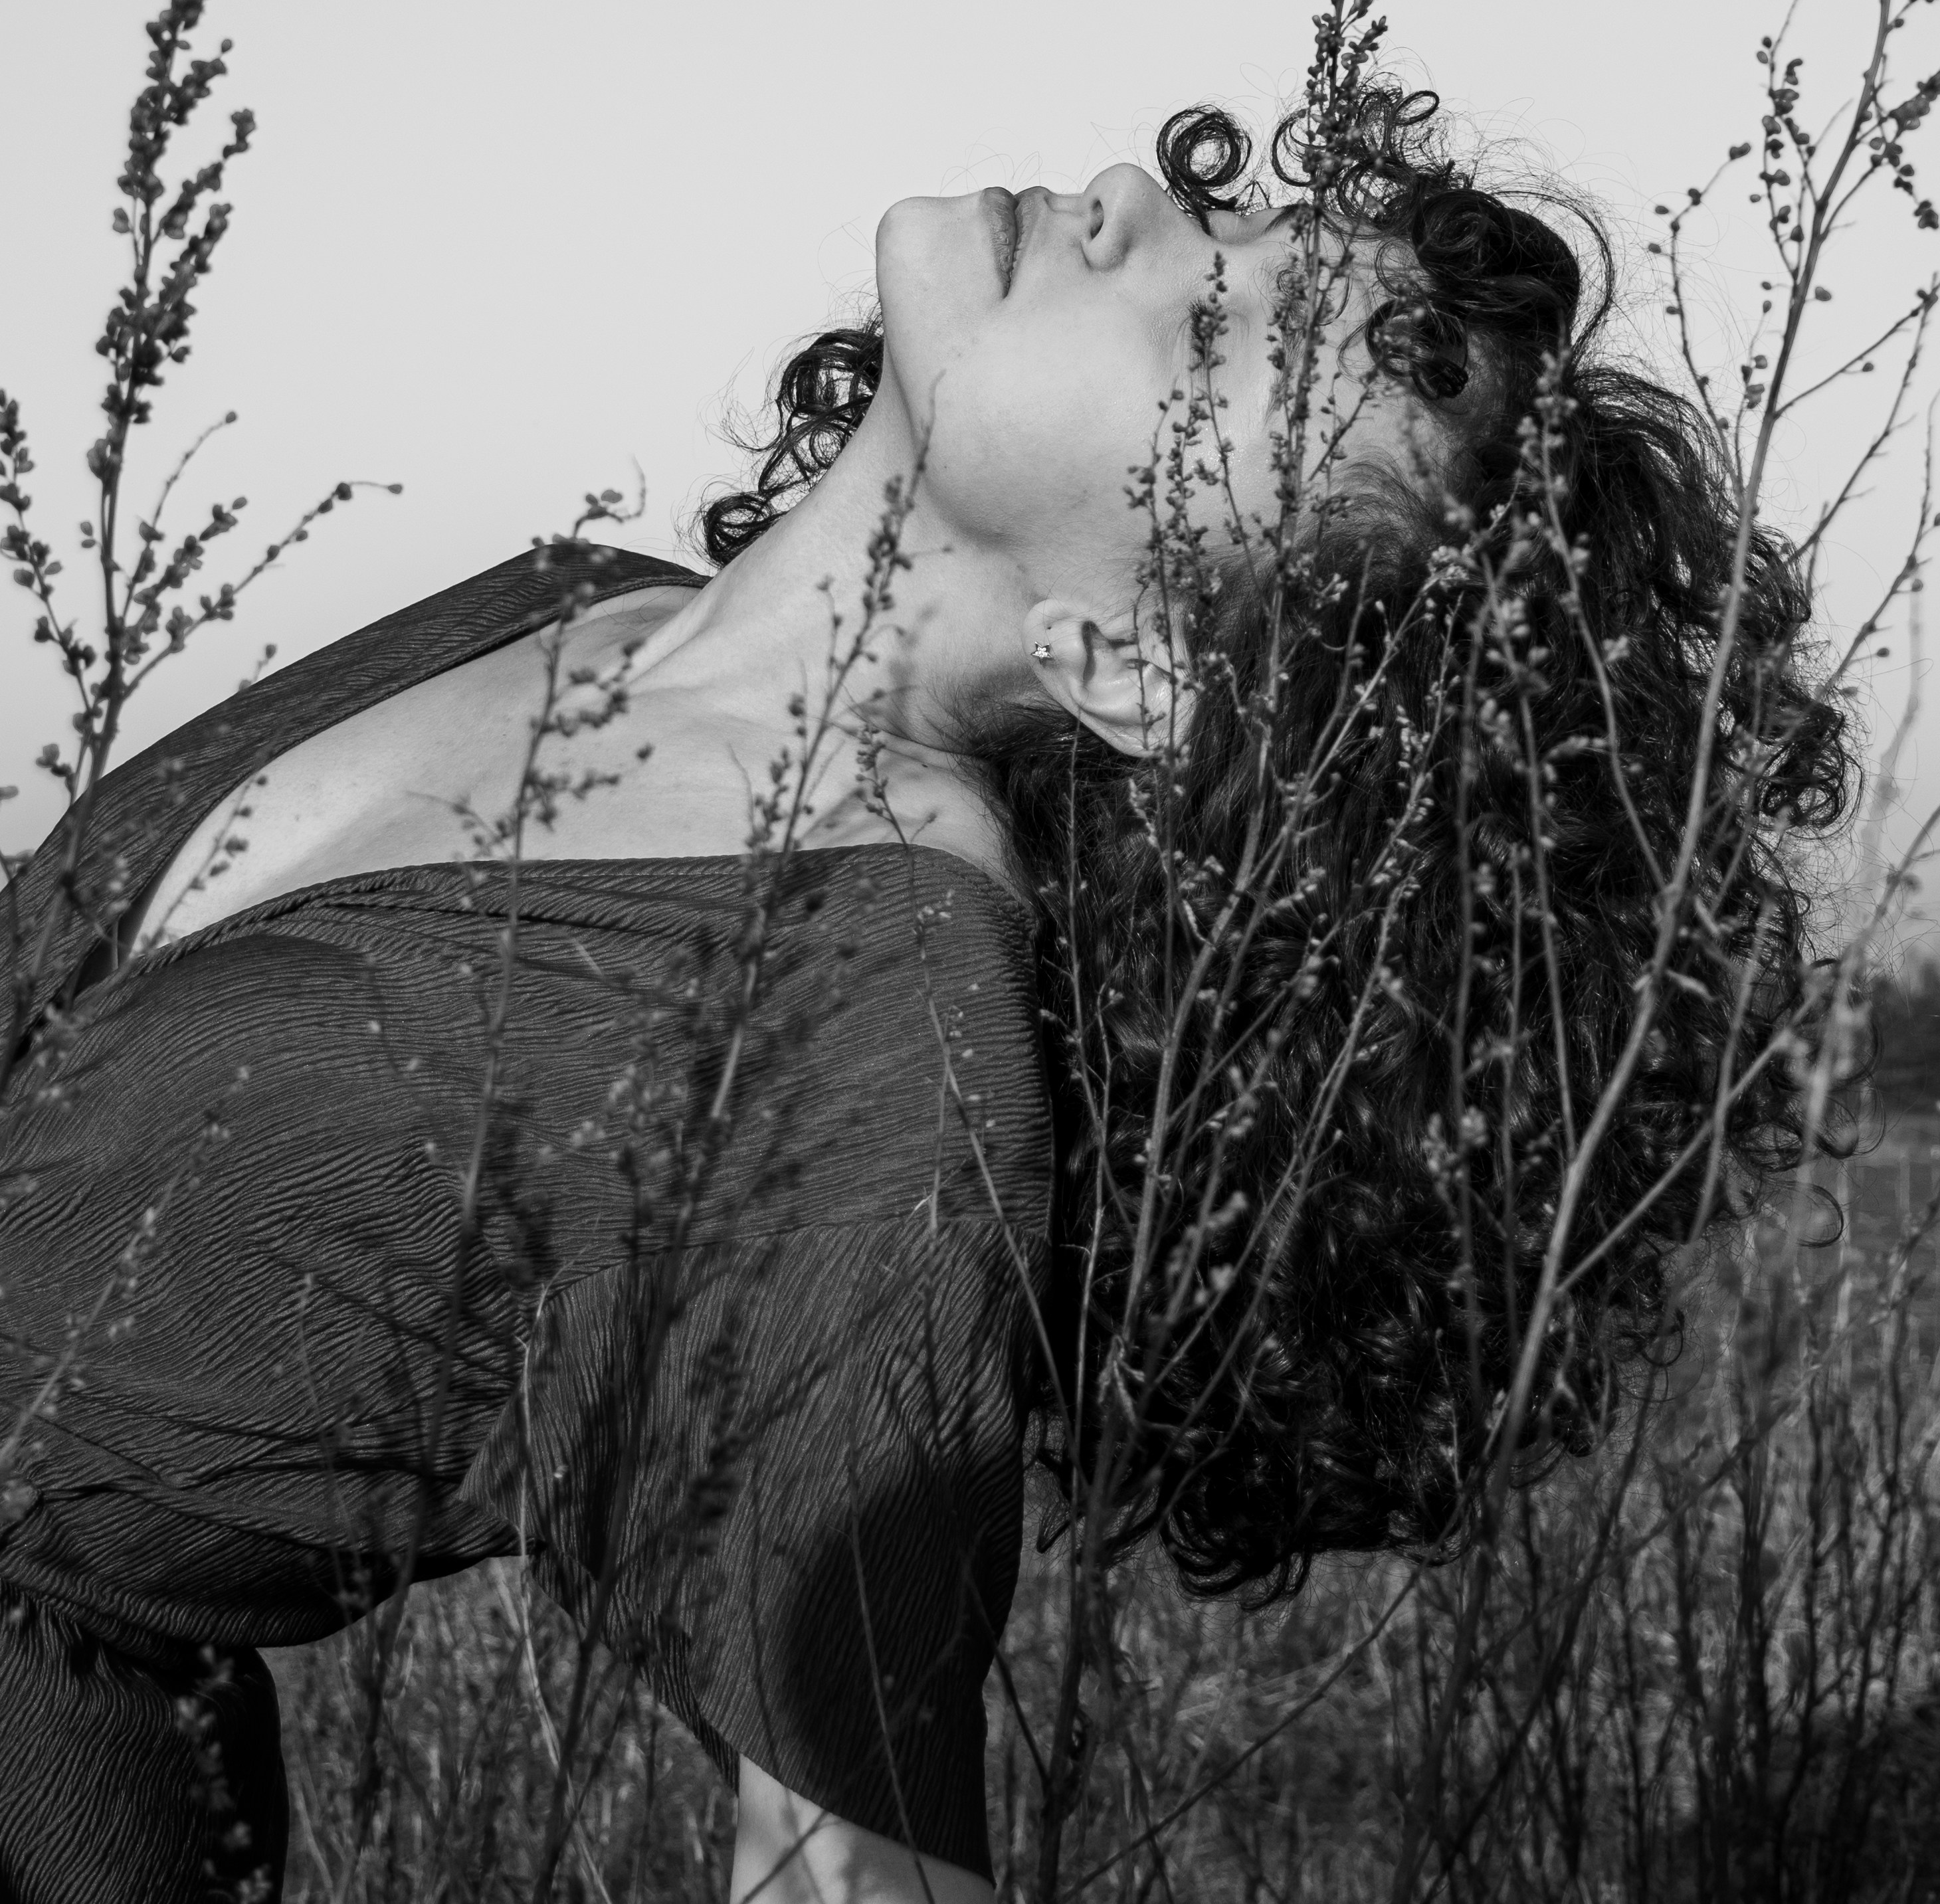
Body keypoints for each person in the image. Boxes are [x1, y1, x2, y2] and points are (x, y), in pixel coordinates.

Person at [0, 92, 1851, 1904]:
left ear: (1129, 661)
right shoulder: (571, 603)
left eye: (1213, 328)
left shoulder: (871, 1036)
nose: (1133, 192)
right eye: (1236, 234)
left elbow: (851, 1866)